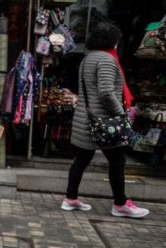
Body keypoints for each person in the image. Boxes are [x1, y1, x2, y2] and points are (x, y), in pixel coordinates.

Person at [62, 23, 149, 218]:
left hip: (87, 119)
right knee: (117, 161)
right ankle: (120, 204)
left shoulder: (88, 59)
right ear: (112, 41)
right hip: (105, 122)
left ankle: (70, 198)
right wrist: (121, 113)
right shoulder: (107, 60)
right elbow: (106, 93)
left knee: (82, 160)